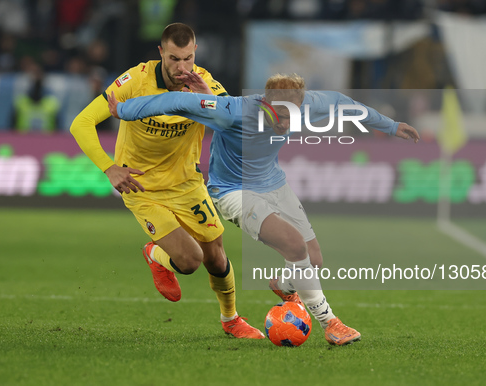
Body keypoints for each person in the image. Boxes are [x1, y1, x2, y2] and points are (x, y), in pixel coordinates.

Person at [106, 73, 420, 345]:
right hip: (232, 190)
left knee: (314, 259)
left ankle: (283, 285)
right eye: (281, 116)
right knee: (294, 245)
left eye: (293, 117)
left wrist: (391, 127)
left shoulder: (309, 104)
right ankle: (330, 324)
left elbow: (346, 103)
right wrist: (122, 109)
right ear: (266, 103)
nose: (287, 124)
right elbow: (174, 102)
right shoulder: (234, 111)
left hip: (274, 183)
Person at [70, 23, 264, 339]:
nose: (182, 67)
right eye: (174, 58)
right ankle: (154, 254)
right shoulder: (135, 81)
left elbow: (237, 124)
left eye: (187, 58)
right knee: (190, 261)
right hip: (142, 187)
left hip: (187, 183)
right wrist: (109, 168)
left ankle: (230, 319)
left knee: (216, 257)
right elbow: (82, 123)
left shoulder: (204, 83)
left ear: (195, 53)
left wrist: (209, 102)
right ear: (161, 53)